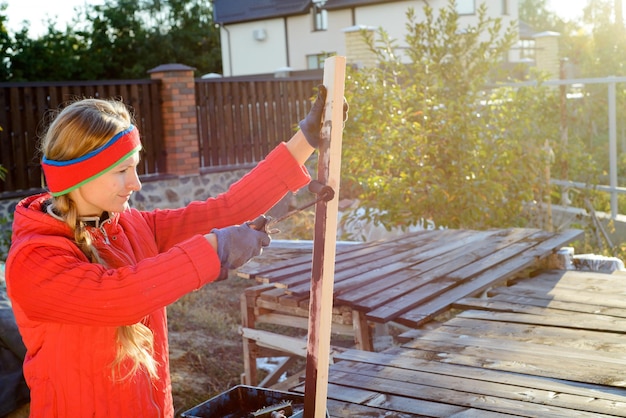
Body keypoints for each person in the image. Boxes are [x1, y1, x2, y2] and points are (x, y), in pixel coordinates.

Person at [5, 85, 336, 417]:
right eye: (122, 171)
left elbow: (226, 210)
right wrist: (215, 249)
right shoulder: (34, 260)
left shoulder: (131, 225)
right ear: (79, 175)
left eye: (134, 166)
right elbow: (120, 297)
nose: (136, 183)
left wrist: (305, 140)